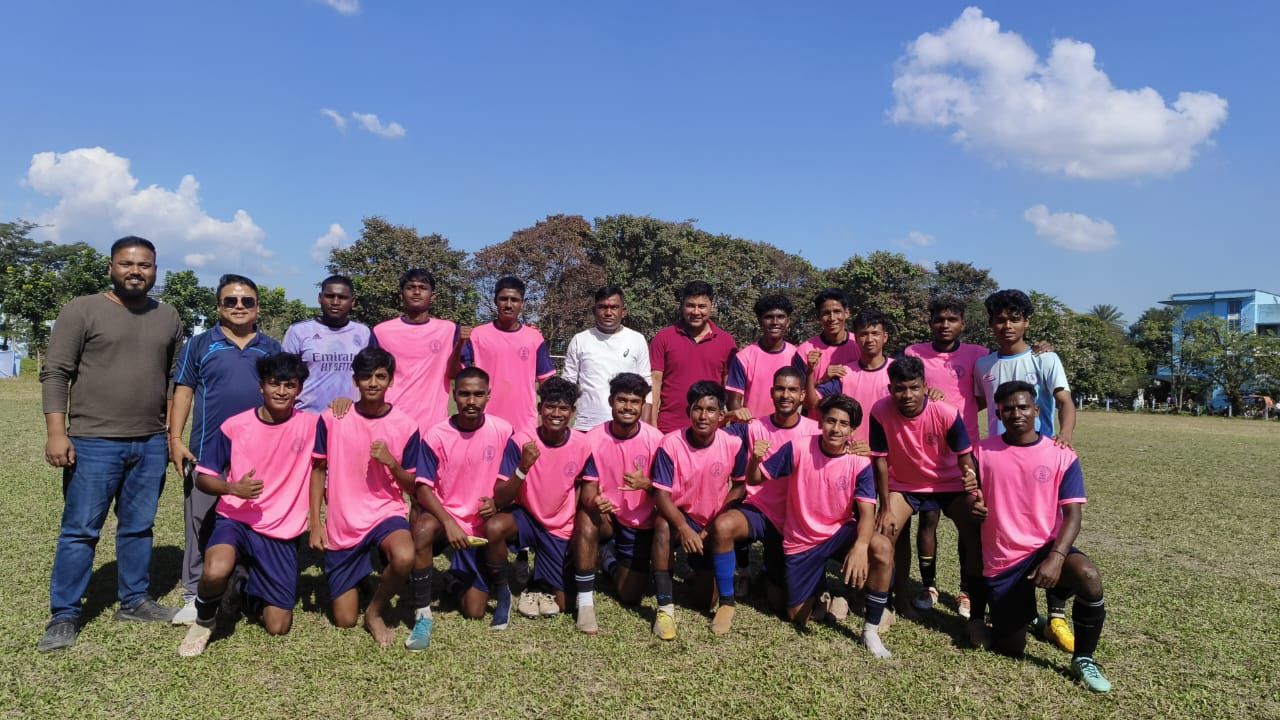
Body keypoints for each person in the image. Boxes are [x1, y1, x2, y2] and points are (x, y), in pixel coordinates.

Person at [39, 236, 184, 652]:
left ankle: (134, 601)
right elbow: (56, 372)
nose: (136, 271)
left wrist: (170, 435)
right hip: (93, 441)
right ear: (111, 268)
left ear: (155, 270)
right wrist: (56, 432)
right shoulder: (81, 310)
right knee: (80, 530)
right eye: (127, 264)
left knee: (139, 526)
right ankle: (65, 614)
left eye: (145, 265)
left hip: (150, 442)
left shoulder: (168, 316)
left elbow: (174, 380)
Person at [967, 381, 1111, 693]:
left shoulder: (1061, 455)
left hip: (1045, 549)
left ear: (1036, 410)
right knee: (1011, 648)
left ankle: (1084, 658)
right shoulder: (980, 452)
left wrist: (1057, 557)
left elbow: (1073, 515)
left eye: (1023, 407)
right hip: (1003, 559)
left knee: (1088, 575)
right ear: (998, 414)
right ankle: (1030, 620)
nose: (1016, 413)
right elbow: (970, 499)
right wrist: (973, 505)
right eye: (1008, 409)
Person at [177, 353, 319, 656]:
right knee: (215, 571)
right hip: (235, 519)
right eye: (274, 383)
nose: (281, 391)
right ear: (261, 387)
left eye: (290, 385)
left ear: (299, 390)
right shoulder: (235, 426)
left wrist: (343, 403)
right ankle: (204, 619)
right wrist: (232, 488)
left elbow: (348, 427)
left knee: (278, 626)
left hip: (280, 529)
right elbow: (203, 478)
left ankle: (242, 586)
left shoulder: (312, 425)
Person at [168, 274, 282, 625]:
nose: (239, 306)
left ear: (257, 307)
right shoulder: (200, 345)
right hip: (207, 451)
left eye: (247, 301)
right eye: (230, 301)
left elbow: (285, 396)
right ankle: (194, 593)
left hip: (259, 456)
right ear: (219, 307)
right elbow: (184, 391)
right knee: (200, 522)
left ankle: (248, 588)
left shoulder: (272, 348)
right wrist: (175, 440)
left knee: (256, 521)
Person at [754, 394, 895, 658]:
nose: (836, 428)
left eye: (844, 424)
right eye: (830, 421)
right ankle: (829, 597)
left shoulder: (859, 461)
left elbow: (867, 512)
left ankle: (870, 630)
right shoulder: (798, 447)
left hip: (839, 531)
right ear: (820, 422)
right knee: (797, 616)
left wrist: (861, 545)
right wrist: (754, 460)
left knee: (882, 547)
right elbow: (756, 477)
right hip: (801, 540)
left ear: (852, 430)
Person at [975, 289, 1077, 651]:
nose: (1007, 326)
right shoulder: (984, 365)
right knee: (1001, 536)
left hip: (1041, 463)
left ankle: (1057, 617)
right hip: (1000, 464)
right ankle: (1009, 607)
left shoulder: (1045, 359)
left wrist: (1065, 435)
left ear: (1026, 322)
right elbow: (974, 404)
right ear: (991, 324)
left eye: (1014, 319)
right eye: (1000, 319)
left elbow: (1064, 401)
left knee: (1051, 534)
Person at [868, 356, 987, 645]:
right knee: (885, 535)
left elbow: (964, 457)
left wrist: (971, 481)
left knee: (976, 531)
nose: (907, 395)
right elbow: (880, 462)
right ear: (890, 388)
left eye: (914, 387)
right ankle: (895, 601)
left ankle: (976, 615)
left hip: (948, 483)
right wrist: (885, 507)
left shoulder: (946, 412)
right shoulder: (879, 411)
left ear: (925, 386)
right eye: (900, 388)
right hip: (905, 485)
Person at [308, 347, 418, 647]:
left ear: (391, 380)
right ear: (355, 380)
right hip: (343, 520)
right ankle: (361, 577)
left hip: (385, 512)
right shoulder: (332, 418)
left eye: (380, 376)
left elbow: (412, 486)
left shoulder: (406, 426)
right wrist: (315, 522)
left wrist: (392, 463)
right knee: (344, 620)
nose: (373, 383)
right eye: (366, 376)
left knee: (405, 555)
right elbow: (317, 470)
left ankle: (374, 612)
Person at [406, 368, 514, 651]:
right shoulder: (436, 434)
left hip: (481, 527)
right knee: (423, 527)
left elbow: (507, 482)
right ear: (454, 395)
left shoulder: (503, 431)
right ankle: (422, 614)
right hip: (447, 522)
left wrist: (497, 503)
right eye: (464, 394)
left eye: (478, 394)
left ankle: (459, 582)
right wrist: (448, 522)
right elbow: (422, 488)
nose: (471, 401)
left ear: (489, 396)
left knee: (474, 610)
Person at [707, 366, 818, 634]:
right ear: (771, 392)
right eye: (780, 389)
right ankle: (726, 603)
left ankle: (774, 574)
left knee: (780, 604)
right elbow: (711, 435)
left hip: (795, 520)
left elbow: (841, 451)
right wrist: (729, 416)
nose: (785, 395)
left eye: (792, 390)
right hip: (759, 510)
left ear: (803, 395)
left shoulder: (815, 431)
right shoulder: (753, 427)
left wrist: (859, 449)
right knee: (723, 526)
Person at [902, 295, 989, 619]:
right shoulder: (914, 353)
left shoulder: (978, 355)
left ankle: (966, 591)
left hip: (965, 456)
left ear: (962, 323)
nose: (945, 325)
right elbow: (903, 388)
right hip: (925, 456)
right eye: (939, 319)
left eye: (952, 319)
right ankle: (928, 586)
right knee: (928, 521)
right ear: (930, 322)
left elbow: (981, 397)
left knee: (969, 524)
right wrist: (927, 397)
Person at [483, 377, 592, 630]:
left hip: (559, 525)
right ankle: (503, 590)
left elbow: (585, 487)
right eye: (550, 406)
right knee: (494, 527)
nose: (556, 413)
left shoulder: (583, 444)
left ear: (573, 412)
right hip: (526, 516)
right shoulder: (521, 441)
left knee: (563, 604)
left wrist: (578, 524)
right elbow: (500, 497)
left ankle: (536, 582)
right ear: (540, 408)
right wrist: (522, 467)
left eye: (563, 408)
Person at [649, 381, 748, 640]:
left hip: (711, 522)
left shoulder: (733, 443)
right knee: (662, 525)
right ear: (688, 411)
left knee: (704, 602)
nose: (703, 416)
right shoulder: (670, 443)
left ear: (721, 414)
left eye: (711, 410)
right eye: (698, 409)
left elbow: (740, 486)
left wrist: (714, 525)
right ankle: (665, 609)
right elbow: (661, 494)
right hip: (680, 517)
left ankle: (698, 574)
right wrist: (683, 527)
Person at [574, 372, 665, 634]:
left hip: (639, 522)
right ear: (611, 401)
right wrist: (594, 500)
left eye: (635, 402)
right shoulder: (592, 438)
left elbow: (667, 492)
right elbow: (587, 489)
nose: (628, 407)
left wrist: (647, 484)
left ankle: (608, 560)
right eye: (622, 400)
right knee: (586, 516)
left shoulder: (656, 440)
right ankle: (585, 603)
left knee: (630, 595)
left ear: (643, 405)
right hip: (606, 517)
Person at [461, 276, 556, 438]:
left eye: (514, 300)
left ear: (522, 304)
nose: (509, 305)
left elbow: (546, 381)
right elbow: (461, 373)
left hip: (524, 424)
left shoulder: (534, 337)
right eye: (503, 299)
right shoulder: (477, 335)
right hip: (485, 421)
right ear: (495, 301)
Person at [370, 269, 462, 431]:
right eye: (410, 287)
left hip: (433, 424)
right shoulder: (381, 332)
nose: (416, 292)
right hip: (391, 420)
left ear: (433, 296)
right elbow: (370, 377)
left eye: (423, 288)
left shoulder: (449, 330)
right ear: (401, 295)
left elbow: (455, 373)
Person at [648, 281, 738, 433]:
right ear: (682, 306)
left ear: (712, 306)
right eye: (690, 305)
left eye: (702, 306)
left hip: (710, 430)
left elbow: (729, 388)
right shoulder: (663, 338)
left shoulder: (726, 342)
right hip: (669, 428)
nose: (696, 312)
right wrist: (652, 426)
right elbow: (655, 383)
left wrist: (729, 424)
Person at [561, 286, 652, 431]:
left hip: (626, 428)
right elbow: (567, 385)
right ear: (594, 311)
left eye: (614, 307)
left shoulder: (637, 340)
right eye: (602, 307)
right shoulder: (580, 340)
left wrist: (645, 427)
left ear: (623, 311)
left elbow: (647, 386)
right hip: (587, 427)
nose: (608, 312)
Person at [282, 275, 374, 414]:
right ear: (320, 298)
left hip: (350, 416)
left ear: (353, 302)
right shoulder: (298, 331)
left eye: (342, 297)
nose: (335, 302)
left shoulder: (363, 333)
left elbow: (369, 375)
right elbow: (284, 376)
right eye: (329, 296)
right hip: (307, 415)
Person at [809, 309, 895, 441]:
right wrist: (810, 372)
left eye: (875, 333)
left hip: (888, 450)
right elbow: (812, 402)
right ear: (855, 338)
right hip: (852, 450)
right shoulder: (844, 373)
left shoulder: (896, 371)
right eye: (864, 334)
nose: (869, 339)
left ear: (885, 337)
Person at [725, 294, 803, 419]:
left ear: (788, 321)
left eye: (780, 317)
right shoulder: (743, 358)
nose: (775, 322)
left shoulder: (797, 355)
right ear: (760, 321)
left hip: (787, 428)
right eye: (768, 317)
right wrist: (747, 425)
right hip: (754, 428)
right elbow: (733, 401)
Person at [796, 288, 860, 384]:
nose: (832, 318)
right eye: (826, 313)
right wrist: (823, 379)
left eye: (837, 311)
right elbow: (797, 391)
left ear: (846, 313)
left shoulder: (860, 344)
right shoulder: (804, 351)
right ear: (818, 316)